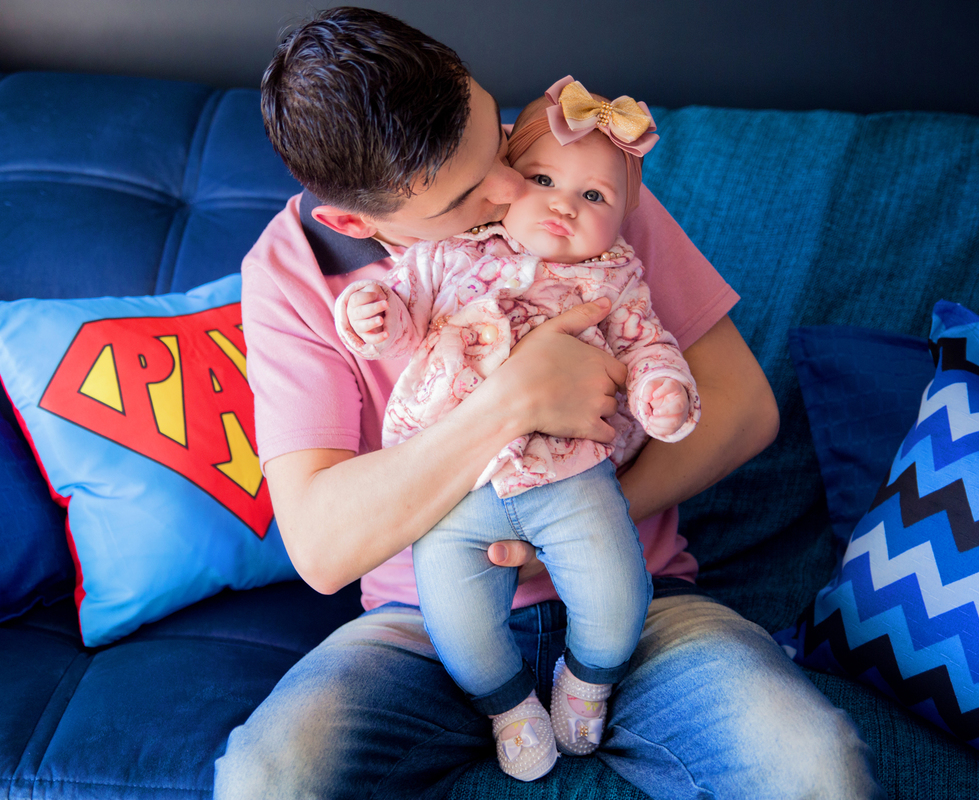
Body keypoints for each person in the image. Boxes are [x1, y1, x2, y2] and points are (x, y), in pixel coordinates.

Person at [215, 7, 882, 799]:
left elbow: (743, 407)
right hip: (421, 623)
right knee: (266, 781)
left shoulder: (568, 179)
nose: (509, 189)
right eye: (465, 194)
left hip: (641, 600)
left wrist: (582, 522)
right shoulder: (291, 273)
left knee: (815, 767)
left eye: (491, 135)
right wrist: (511, 401)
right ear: (354, 222)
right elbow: (322, 546)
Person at [333, 76, 699, 781]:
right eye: (542, 178)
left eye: (595, 197)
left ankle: (586, 684)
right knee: (455, 618)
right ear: (507, 179)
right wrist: (370, 314)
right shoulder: (449, 251)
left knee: (618, 592)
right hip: (454, 483)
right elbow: (400, 307)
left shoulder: (615, 276)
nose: (564, 205)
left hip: (571, 472)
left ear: (625, 216)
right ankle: (509, 708)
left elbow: (647, 343)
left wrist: (662, 391)